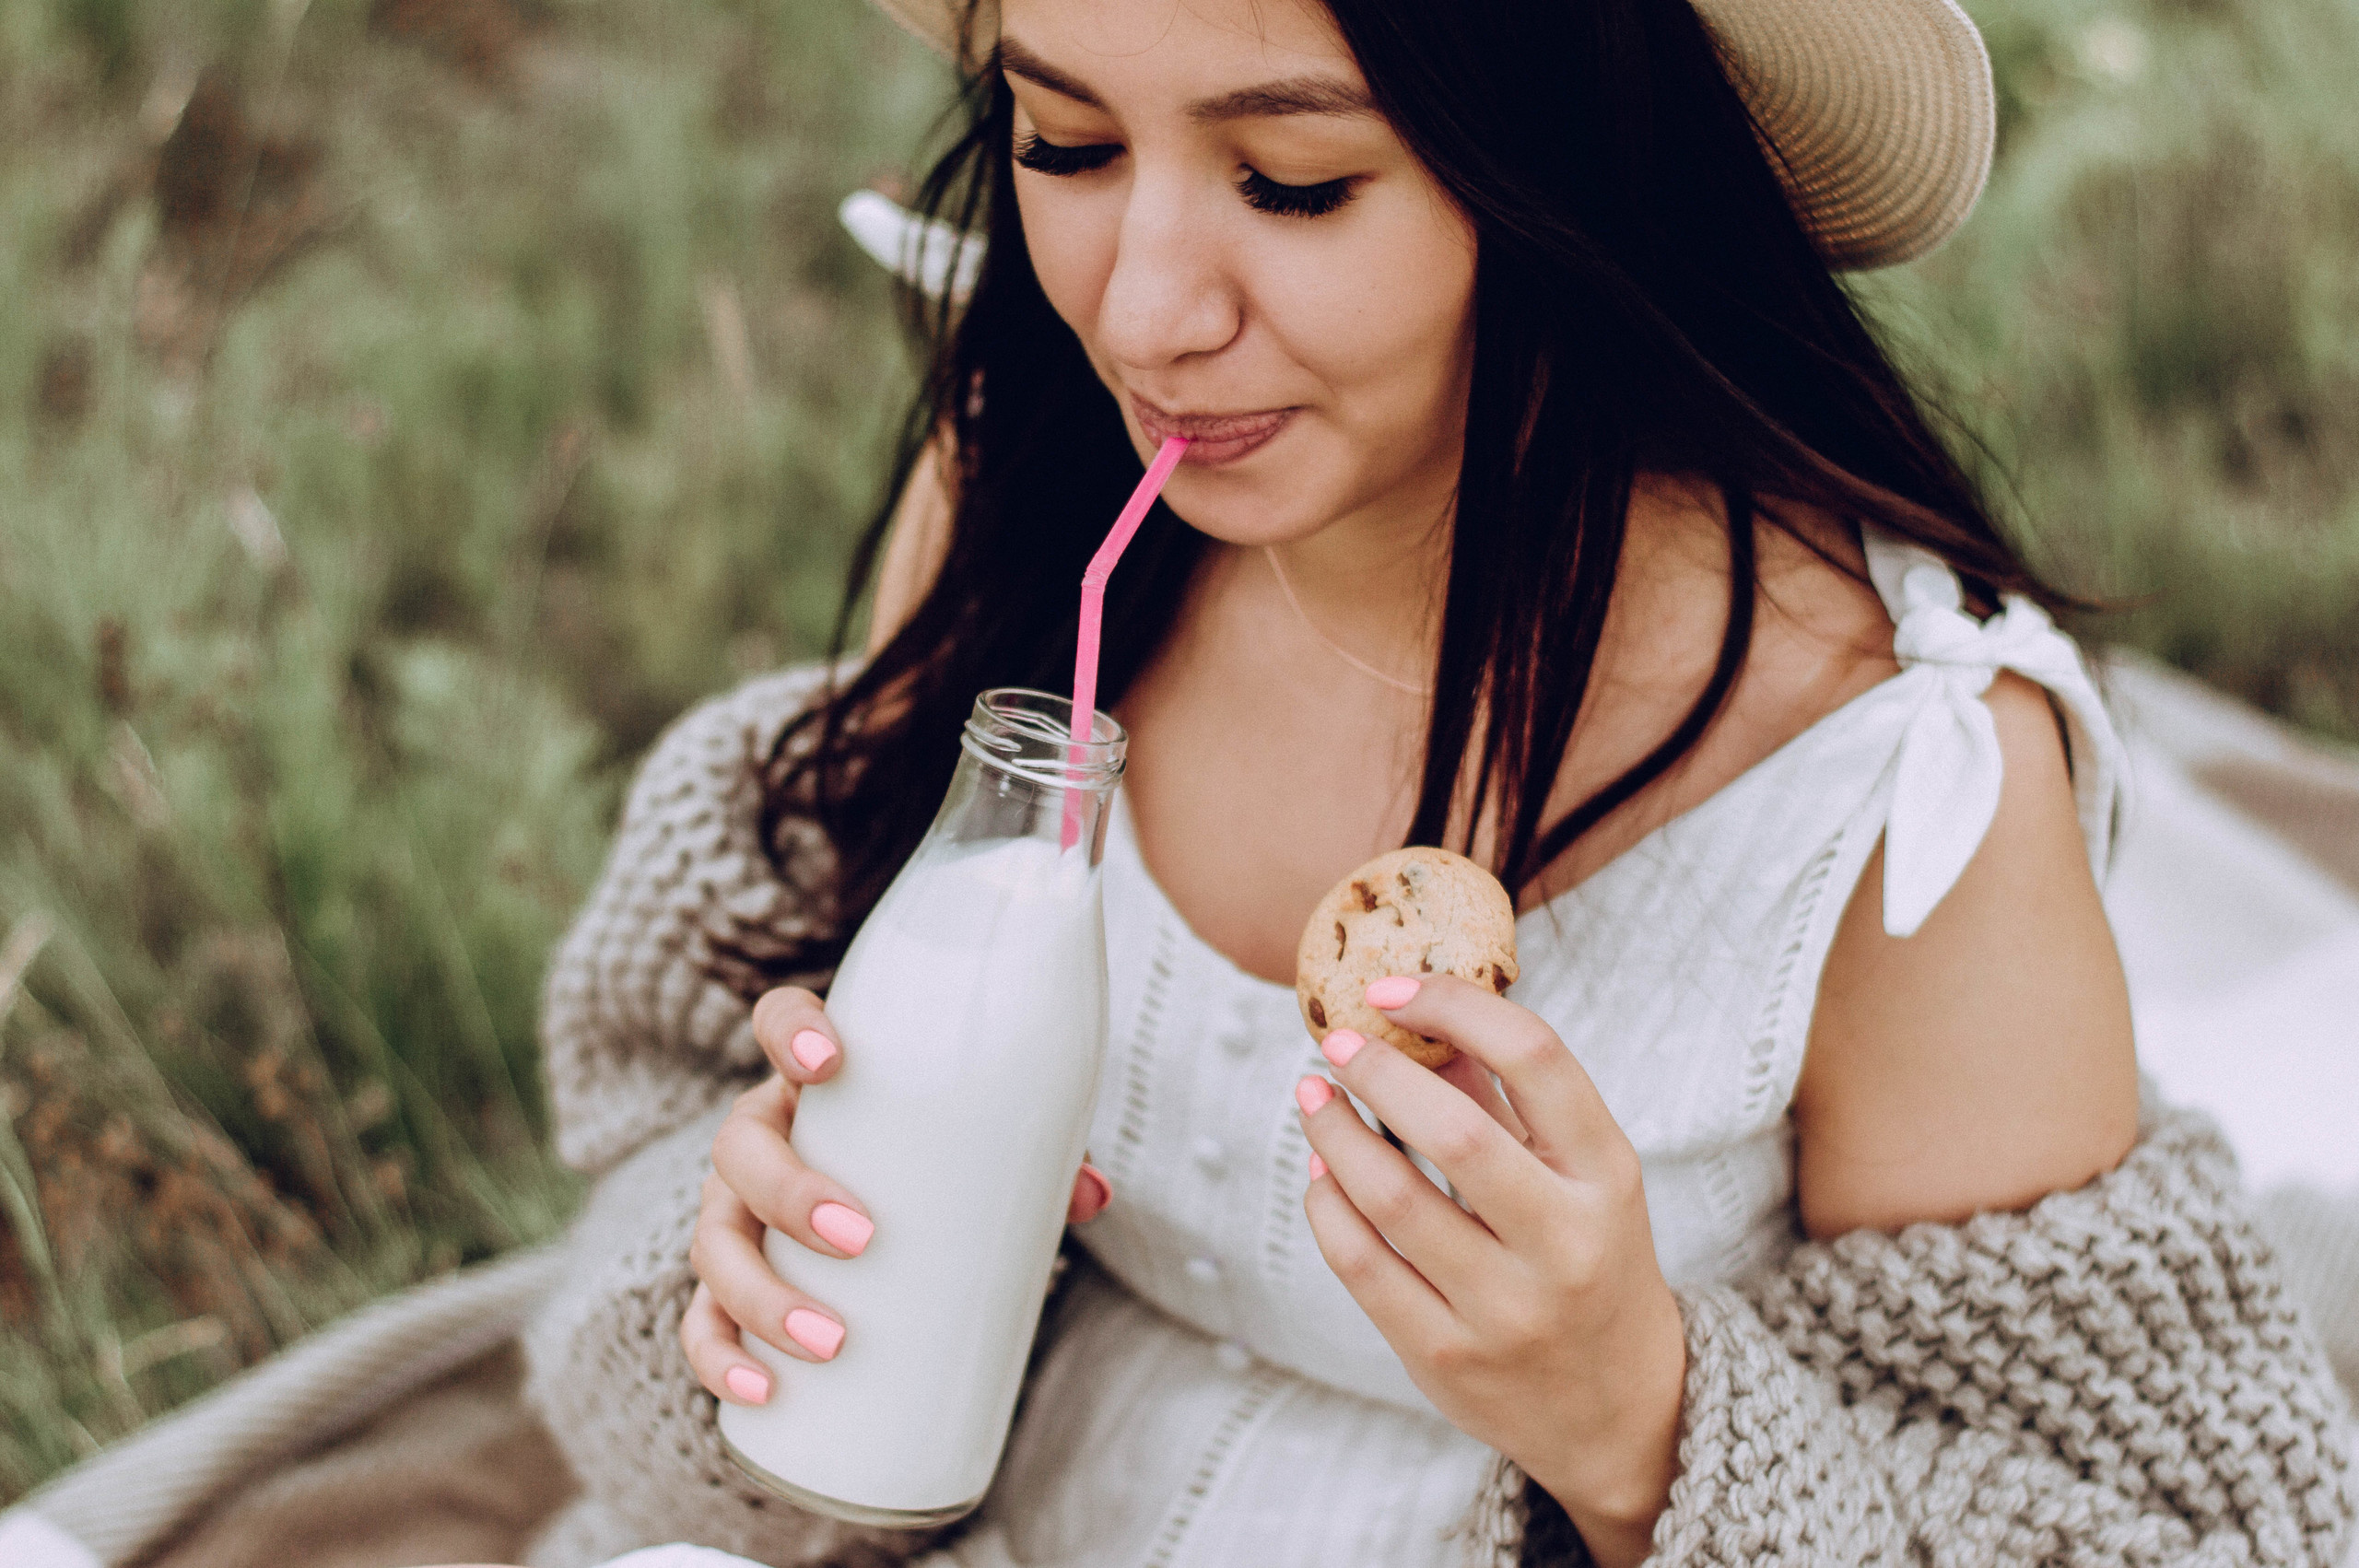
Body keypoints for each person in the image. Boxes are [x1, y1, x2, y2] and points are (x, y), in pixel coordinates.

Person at [518, 0, 2357, 1564]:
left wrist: (1638, 1415)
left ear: (1569, 175)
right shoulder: (1031, 510)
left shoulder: (1889, 781)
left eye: (1291, 180)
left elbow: (2174, 1527)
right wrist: (748, 1257)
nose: (1144, 313)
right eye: (1065, 142)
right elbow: (675, 1104)